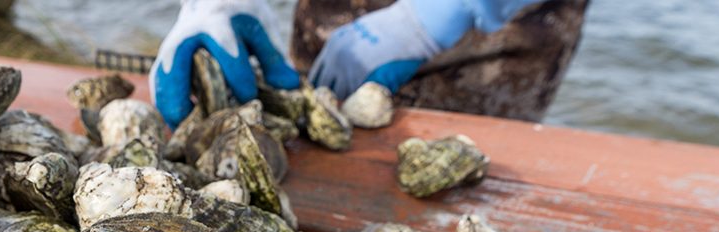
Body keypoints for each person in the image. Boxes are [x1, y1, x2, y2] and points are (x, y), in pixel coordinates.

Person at [150, 0, 589, 128]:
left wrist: (450, 9)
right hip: (338, 14)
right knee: (313, 118)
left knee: (473, 175)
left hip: (501, 28)